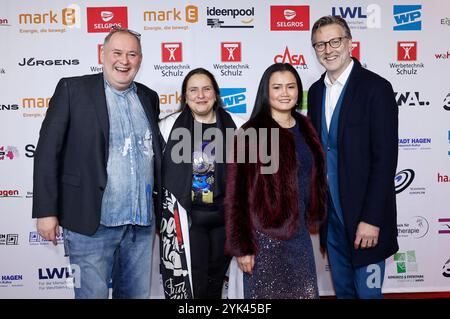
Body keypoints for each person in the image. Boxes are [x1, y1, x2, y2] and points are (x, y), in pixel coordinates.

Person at [32, 26, 162, 299]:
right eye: (117, 52)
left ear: (140, 59)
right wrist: (46, 211)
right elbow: (47, 152)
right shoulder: (73, 89)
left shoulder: (149, 97)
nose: (124, 61)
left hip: (140, 226)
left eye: (132, 54)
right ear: (103, 54)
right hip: (91, 224)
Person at [307, 15, 399, 298]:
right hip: (332, 218)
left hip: (365, 219)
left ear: (350, 43)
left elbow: (385, 160)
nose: (328, 50)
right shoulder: (315, 92)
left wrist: (371, 218)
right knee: (344, 292)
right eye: (320, 44)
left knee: (368, 294)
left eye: (335, 41)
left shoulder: (376, 88)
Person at [224, 63, 327, 299]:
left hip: (299, 238)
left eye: (290, 87)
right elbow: (236, 196)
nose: (284, 93)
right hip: (263, 243)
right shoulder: (250, 133)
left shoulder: (306, 127)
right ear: (266, 92)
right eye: (277, 87)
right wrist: (243, 247)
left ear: (298, 91)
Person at [158, 68, 245, 299]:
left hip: (223, 217)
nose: (200, 95)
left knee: (216, 280)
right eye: (193, 90)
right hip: (188, 218)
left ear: (215, 94)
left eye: (206, 89)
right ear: (185, 97)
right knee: (193, 281)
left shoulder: (238, 125)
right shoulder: (167, 126)